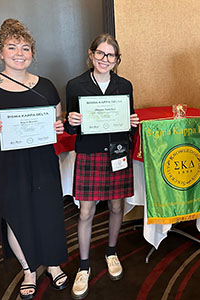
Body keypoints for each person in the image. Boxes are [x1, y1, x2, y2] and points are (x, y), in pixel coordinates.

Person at [0, 19, 69, 299]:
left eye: (25, 48)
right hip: (5, 165)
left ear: (32, 53)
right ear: (0, 52)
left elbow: (58, 117)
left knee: (48, 212)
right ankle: (29, 270)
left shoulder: (45, 86)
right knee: (15, 216)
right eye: (12, 47)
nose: (19, 53)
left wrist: (59, 124)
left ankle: (54, 264)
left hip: (43, 160)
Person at [65, 33, 139, 299]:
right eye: (100, 54)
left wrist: (132, 124)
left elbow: (127, 119)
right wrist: (72, 121)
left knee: (117, 205)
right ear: (91, 54)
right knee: (86, 212)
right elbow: (70, 128)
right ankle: (84, 266)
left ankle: (111, 251)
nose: (105, 59)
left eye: (111, 55)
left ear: (117, 59)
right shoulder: (76, 85)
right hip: (89, 153)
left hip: (117, 152)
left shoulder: (125, 85)